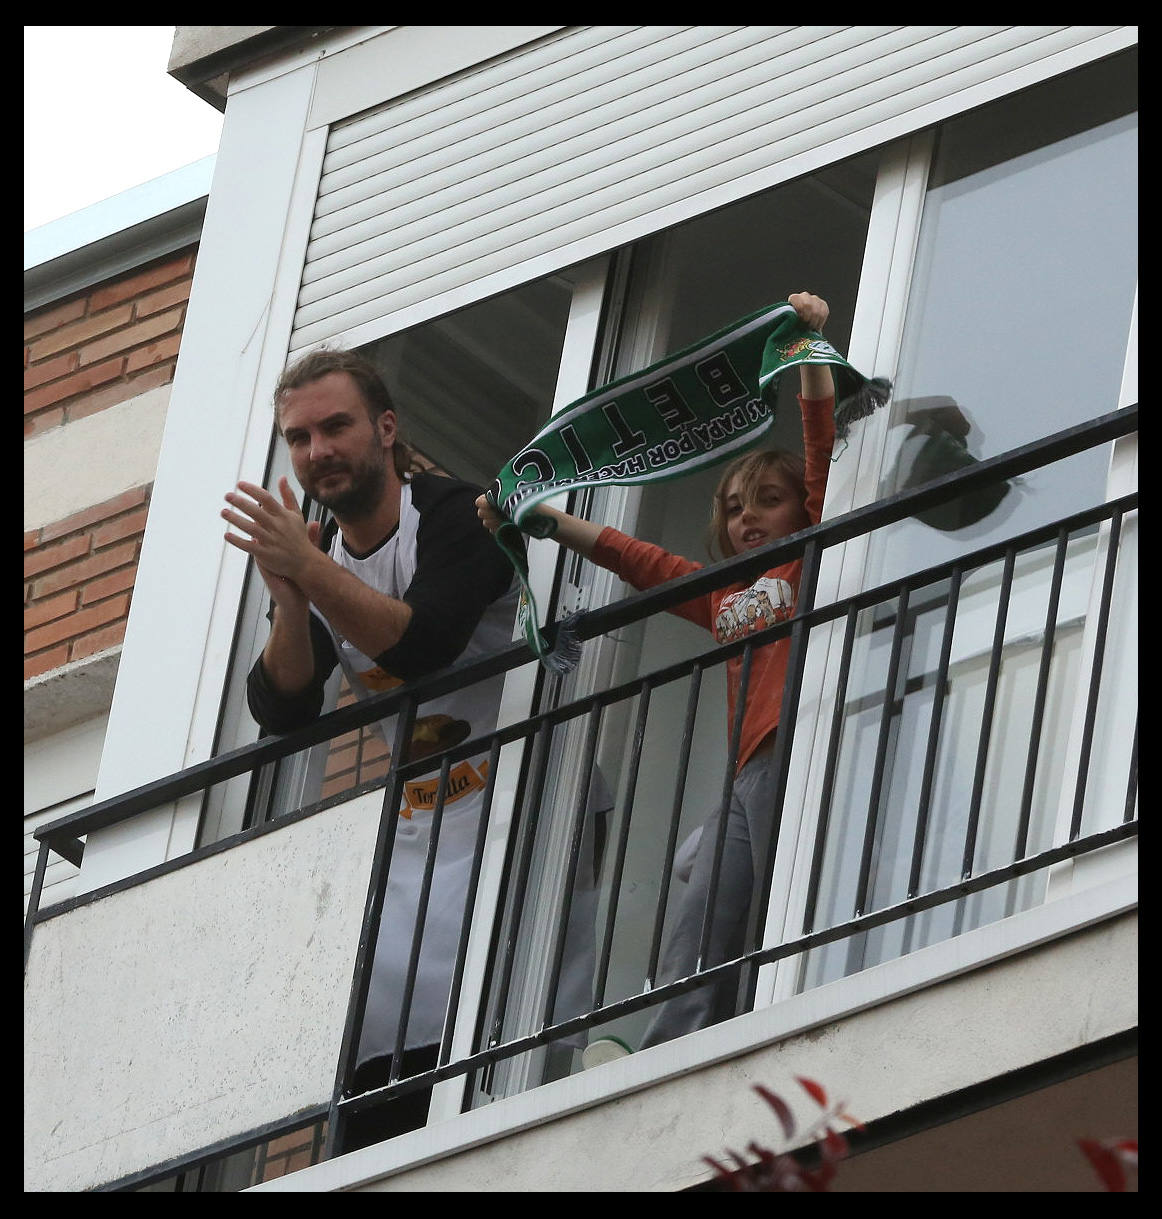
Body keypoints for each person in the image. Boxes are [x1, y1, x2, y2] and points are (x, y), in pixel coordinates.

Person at [222, 348, 604, 1149]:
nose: (318, 450)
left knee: (503, 1016)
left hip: (531, 787)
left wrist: (308, 568)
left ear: (387, 429)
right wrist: (290, 598)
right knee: (382, 1040)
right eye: (299, 438)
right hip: (425, 817)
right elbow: (283, 704)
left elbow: (422, 643)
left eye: (336, 427)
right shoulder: (320, 556)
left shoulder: (459, 514)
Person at [477, 291, 836, 1053]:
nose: (747, 517)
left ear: (801, 509)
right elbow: (639, 560)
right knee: (701, 912)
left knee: (777, 898)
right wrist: (542, 518)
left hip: (792, 746)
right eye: (734, 508)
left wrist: (807, 349)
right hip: (746, 771)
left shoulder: (810, 558)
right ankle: (668, 1050)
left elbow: (819, 443)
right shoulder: (724, 593)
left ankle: (771, 1020)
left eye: (768, 501)